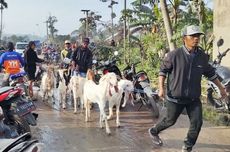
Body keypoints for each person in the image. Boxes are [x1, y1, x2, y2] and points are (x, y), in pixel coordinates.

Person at [148, 25, 228, 152]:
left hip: (193, 98)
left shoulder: (202, 56)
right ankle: (154, 131)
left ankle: (187, 146)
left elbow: (211, 74)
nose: (196, 39)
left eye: (198, 36)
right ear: (184, 38)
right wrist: (161, 88)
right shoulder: (174, 55)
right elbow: (162, 71)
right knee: (170, 121)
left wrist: (221, 88)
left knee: (197, 123)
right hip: (175, 97)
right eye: (193, 36)